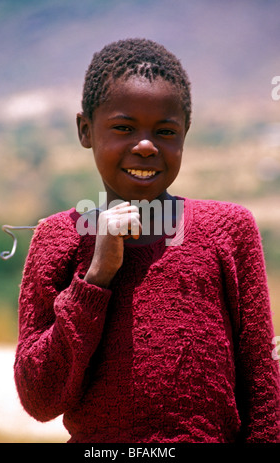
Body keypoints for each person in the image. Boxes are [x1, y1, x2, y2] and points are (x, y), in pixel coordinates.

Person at [14, 38, 280, 443]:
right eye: (123, 127)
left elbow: (262, 386)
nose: (145, 145)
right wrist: (96, 277)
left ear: (185, 135)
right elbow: (39, 397)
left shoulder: (228, 230)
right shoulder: (58, 237)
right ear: (85, 130)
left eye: (165, 131)